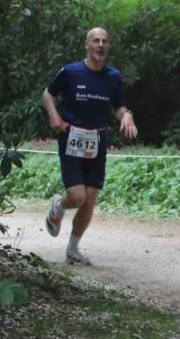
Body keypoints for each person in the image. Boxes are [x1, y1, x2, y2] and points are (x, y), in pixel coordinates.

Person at [42, 27, 137, 264]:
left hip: (97, 139)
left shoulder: (113, 76)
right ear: (87, 44)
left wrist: (126, 116)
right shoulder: (71, 71)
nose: (100, 45)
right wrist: (54, 115)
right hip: (71, 137)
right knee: (77, 196)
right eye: (96, 41)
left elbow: (118, 107)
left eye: (105, 41)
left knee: (91, 197)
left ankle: (73, 249)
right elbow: (48, 94)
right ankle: (59, 205)